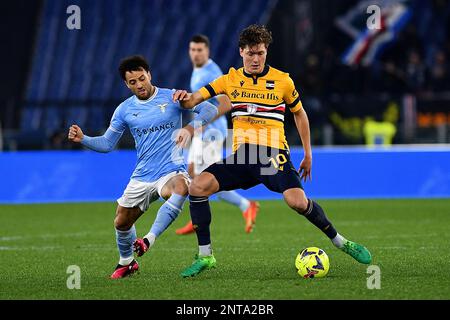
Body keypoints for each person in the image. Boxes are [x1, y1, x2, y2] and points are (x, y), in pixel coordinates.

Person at [172, 25, 372, 278]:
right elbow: (192, 100)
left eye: (261, 53)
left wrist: (308, 154)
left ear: (266, 52)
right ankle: (205, 256)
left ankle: (341, 242)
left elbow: (299, 113)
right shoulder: (228, 80)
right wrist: (181, 97)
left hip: (270, 155)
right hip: (243, 157)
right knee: (197, 187)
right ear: (241, 52)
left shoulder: (282, 81)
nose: (256, 59)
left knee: (296, 201)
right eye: (251, 53)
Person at [68, 55, 217, 279]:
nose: (139, 85)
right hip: (142, 175)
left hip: (171, 170)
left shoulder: (173, 96)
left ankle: (149, 239)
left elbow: (210, 110)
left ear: (149, 74)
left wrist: (189, 127)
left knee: (180, 187)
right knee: (121, 221)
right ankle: (127, 262)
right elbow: (108, 144)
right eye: (133, 82)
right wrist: (84, 139)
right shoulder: (124, 110)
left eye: (141, 78)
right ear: (126, 84)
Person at [175, 34, 260, 235]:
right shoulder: (198, 70)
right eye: (192, 50)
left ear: (207, 51)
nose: (195, 54)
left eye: (199, 50)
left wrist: (202, 124)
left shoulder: (211, 72)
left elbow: (226, 103)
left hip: (212, 131)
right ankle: (197, 217)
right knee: (193, 173)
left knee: (208, 179)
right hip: (203, 130)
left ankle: (245, 205)